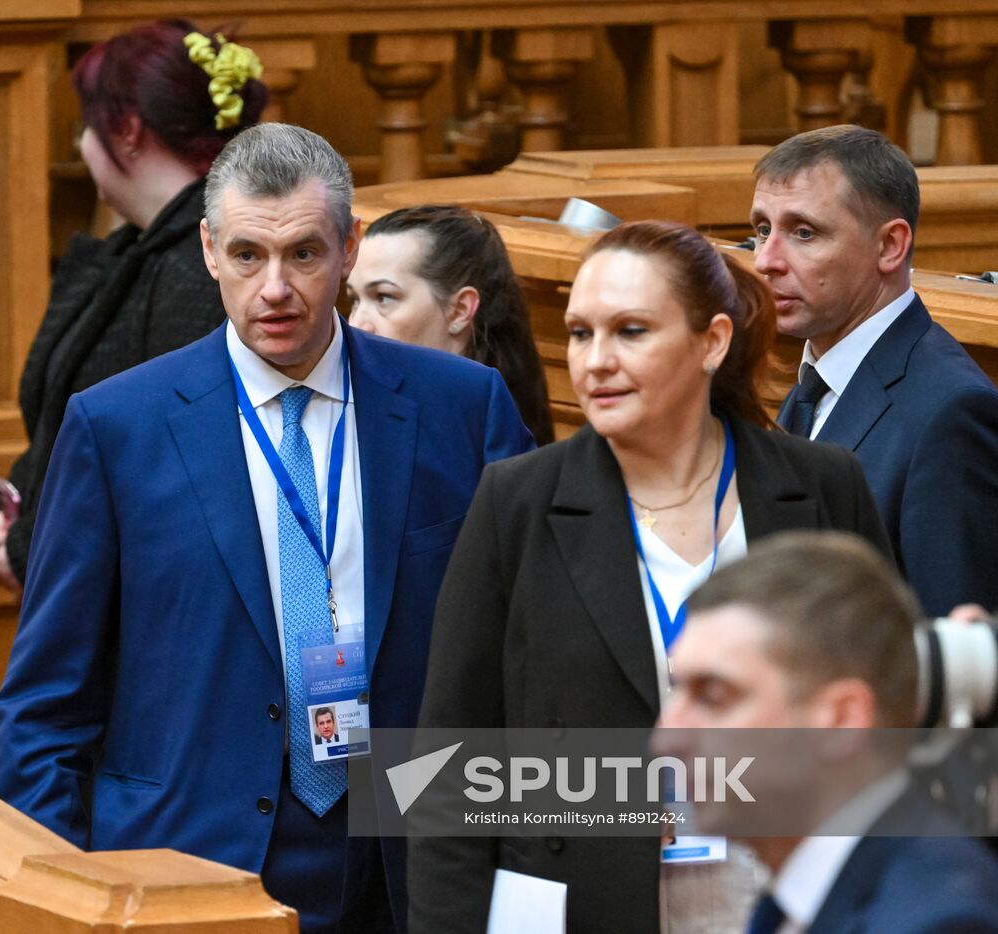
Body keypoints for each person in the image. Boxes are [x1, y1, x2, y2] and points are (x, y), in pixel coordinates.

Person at [0, 123, 532, 933]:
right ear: (209, 250)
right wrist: (64, 893)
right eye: (248, 255)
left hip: (409, 860)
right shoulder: (117, 428)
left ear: (349, 249)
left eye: (304, 255)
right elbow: (46, 704)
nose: (274, 287)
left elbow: (529, 655)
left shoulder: (462, 406)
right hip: (187, 865)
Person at [409, 220, 893, 934]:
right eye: (580, 333)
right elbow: (445, 766)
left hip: (786, 897)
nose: (595, 361)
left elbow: (892, 722)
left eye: (630, 331)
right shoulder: (516, 502)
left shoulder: (821, 485)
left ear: (712, 341)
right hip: (580, 902)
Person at [0, 20, 267, 594]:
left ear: (128, 129)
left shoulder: (205, 271)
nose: (83, 145)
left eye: (88, 124)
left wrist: (30, 542)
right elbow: (69, 424)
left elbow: (162, 467)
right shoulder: (135, 252)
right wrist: (10, 507)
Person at [661, 531, 998, 933]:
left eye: (714, 696)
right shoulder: (792, 904)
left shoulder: (935, 920)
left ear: (841, 720)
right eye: (677, 692)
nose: (668, 737)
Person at [752, 125, 998, 616]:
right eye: (762, 229)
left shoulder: (951, 412)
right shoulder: (813, 382)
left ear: (890, 246)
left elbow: (953, 642)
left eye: (804, 232)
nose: (765, 261)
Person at [347, 205, 555, 445]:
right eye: (354, 300)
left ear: (460, 311)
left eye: (384, 297)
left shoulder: (496, 448)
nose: (357, 325)